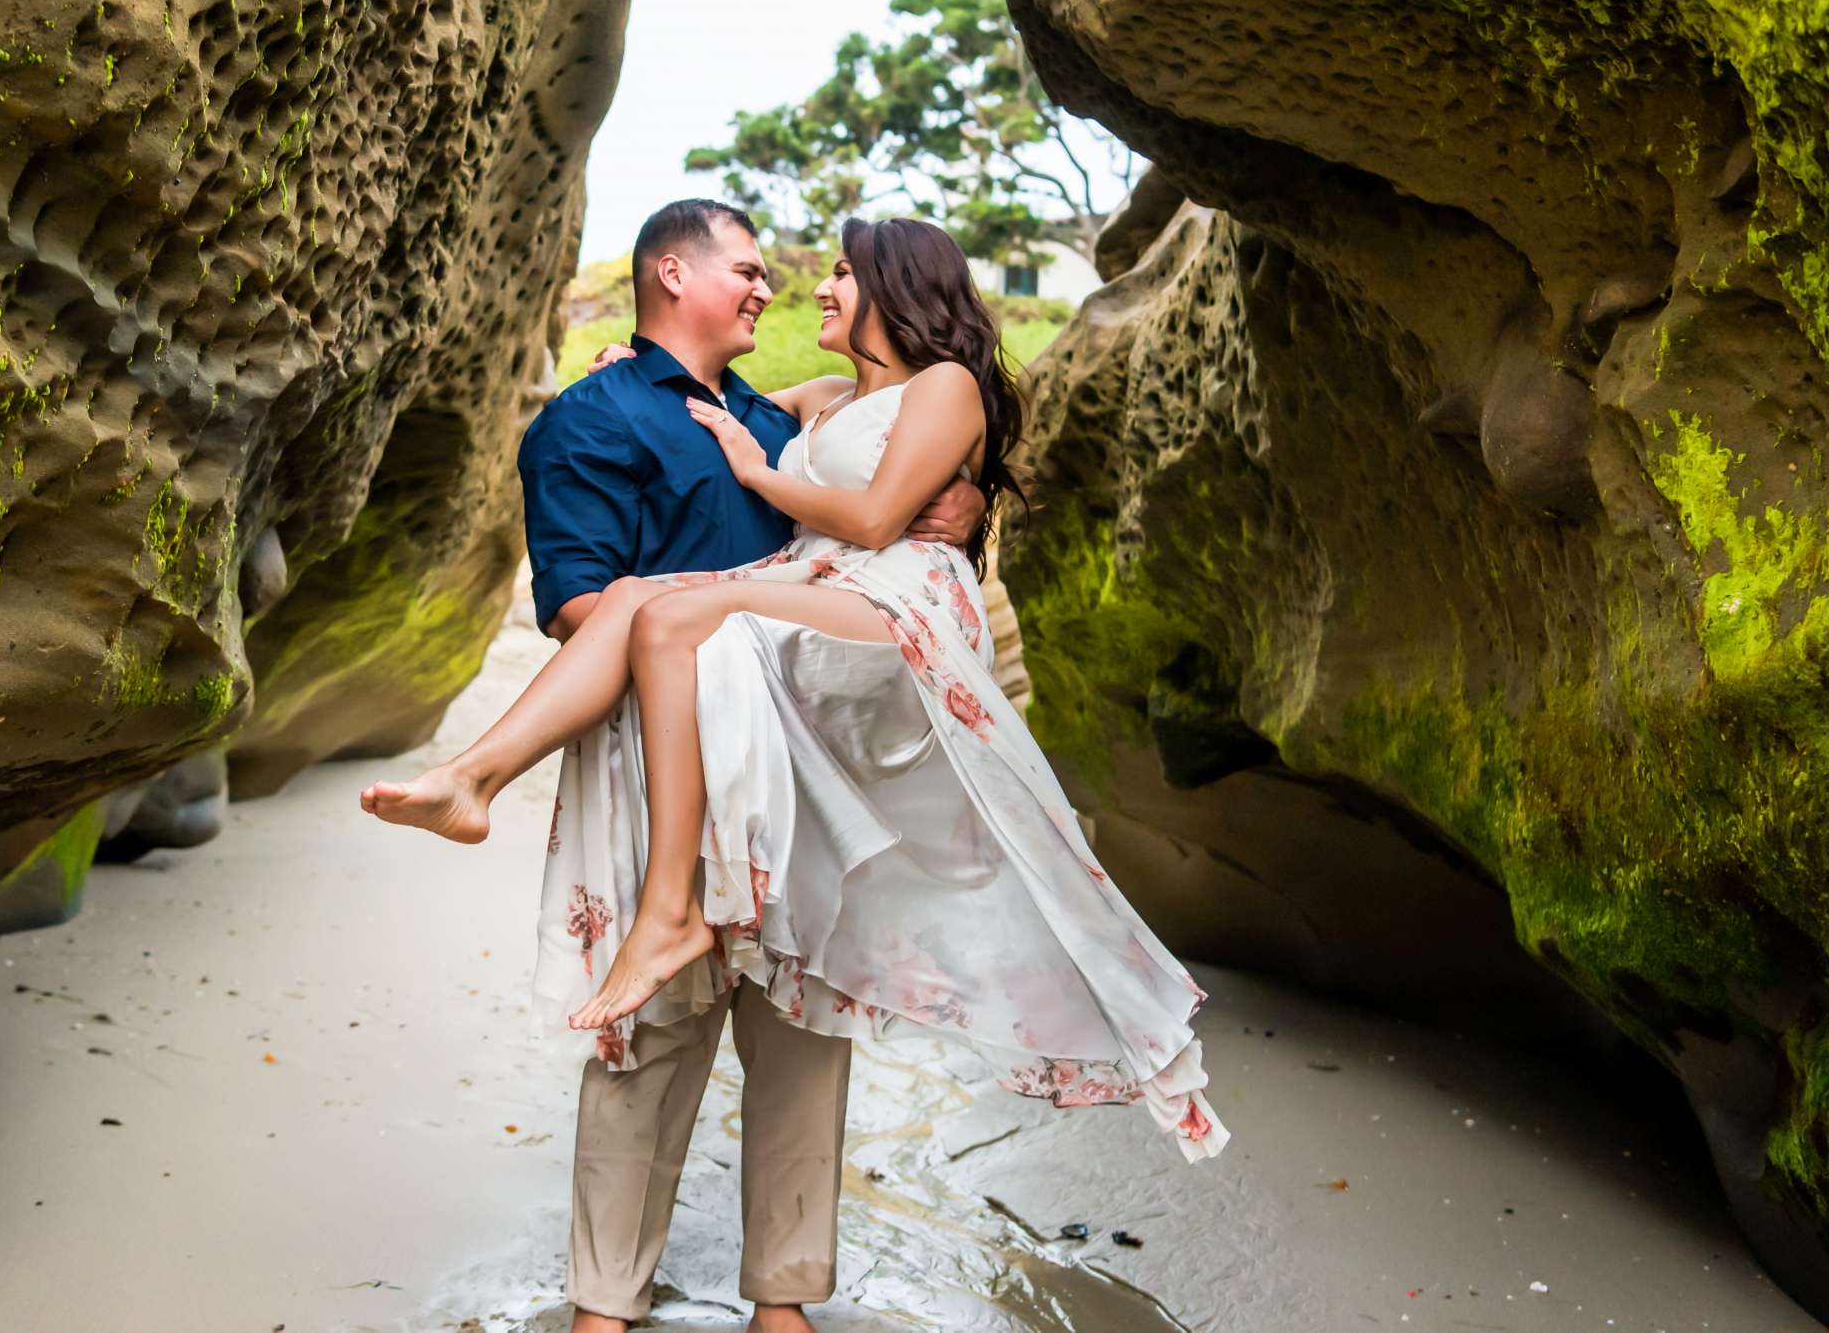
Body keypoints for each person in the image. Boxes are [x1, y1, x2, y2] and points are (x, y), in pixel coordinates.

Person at [364, 204, 1226, 1330]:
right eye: (756, 269)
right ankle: (604, 1305)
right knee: (654, 1036)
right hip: (673, 751)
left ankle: (786, 1302)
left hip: (816, 729)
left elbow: (880, 493)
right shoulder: (618, 416)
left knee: (805, 1029)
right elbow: (581, 601)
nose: (793, 289)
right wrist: (658, 405)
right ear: (676, 275)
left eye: (824, 275)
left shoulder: (812, 409)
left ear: (889, 289)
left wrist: (897, 507)